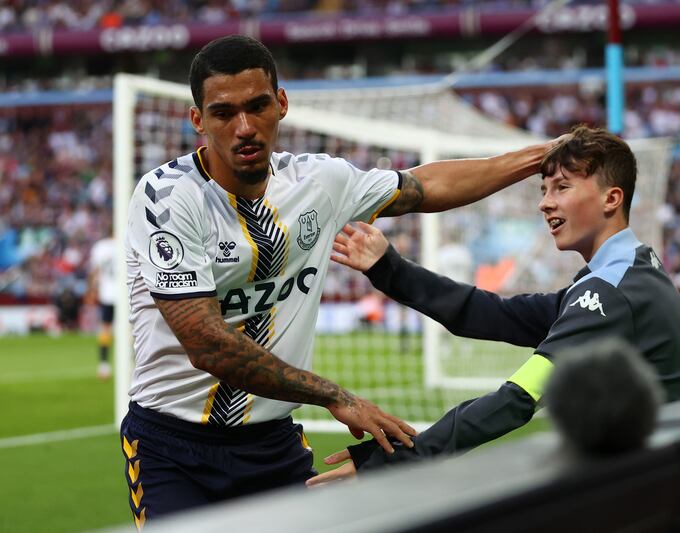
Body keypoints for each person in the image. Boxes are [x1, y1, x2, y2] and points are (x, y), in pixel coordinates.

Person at [121, 34, 560, 526]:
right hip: (174, 449)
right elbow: (206, 344)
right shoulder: (167, 197)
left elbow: (424, 185)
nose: (244, 127)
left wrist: (542, 156)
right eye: (224, 113)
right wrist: (336, 396)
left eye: (258, 106)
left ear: (281, 104)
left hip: (272, 441)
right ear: (198, 120)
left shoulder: (319, 182)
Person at [306, 125, 680, 485]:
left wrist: (394, 462)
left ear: (612, 199)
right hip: (676, 469)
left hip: (668, 484)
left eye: (562, 187)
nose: (545, 203)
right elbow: (494, 316)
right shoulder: (626, 272)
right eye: (544, 190)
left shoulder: (610, 291)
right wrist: (387, 267)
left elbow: (519, 398)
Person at [86, 234, 116, 380]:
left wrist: (91, 289)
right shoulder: (127, 241)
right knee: (133, 331)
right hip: (125, 294)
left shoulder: (100, 247)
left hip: (107, 294)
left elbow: (94, 271)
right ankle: (135, 364)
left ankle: (104, 366)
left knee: (105, 329)